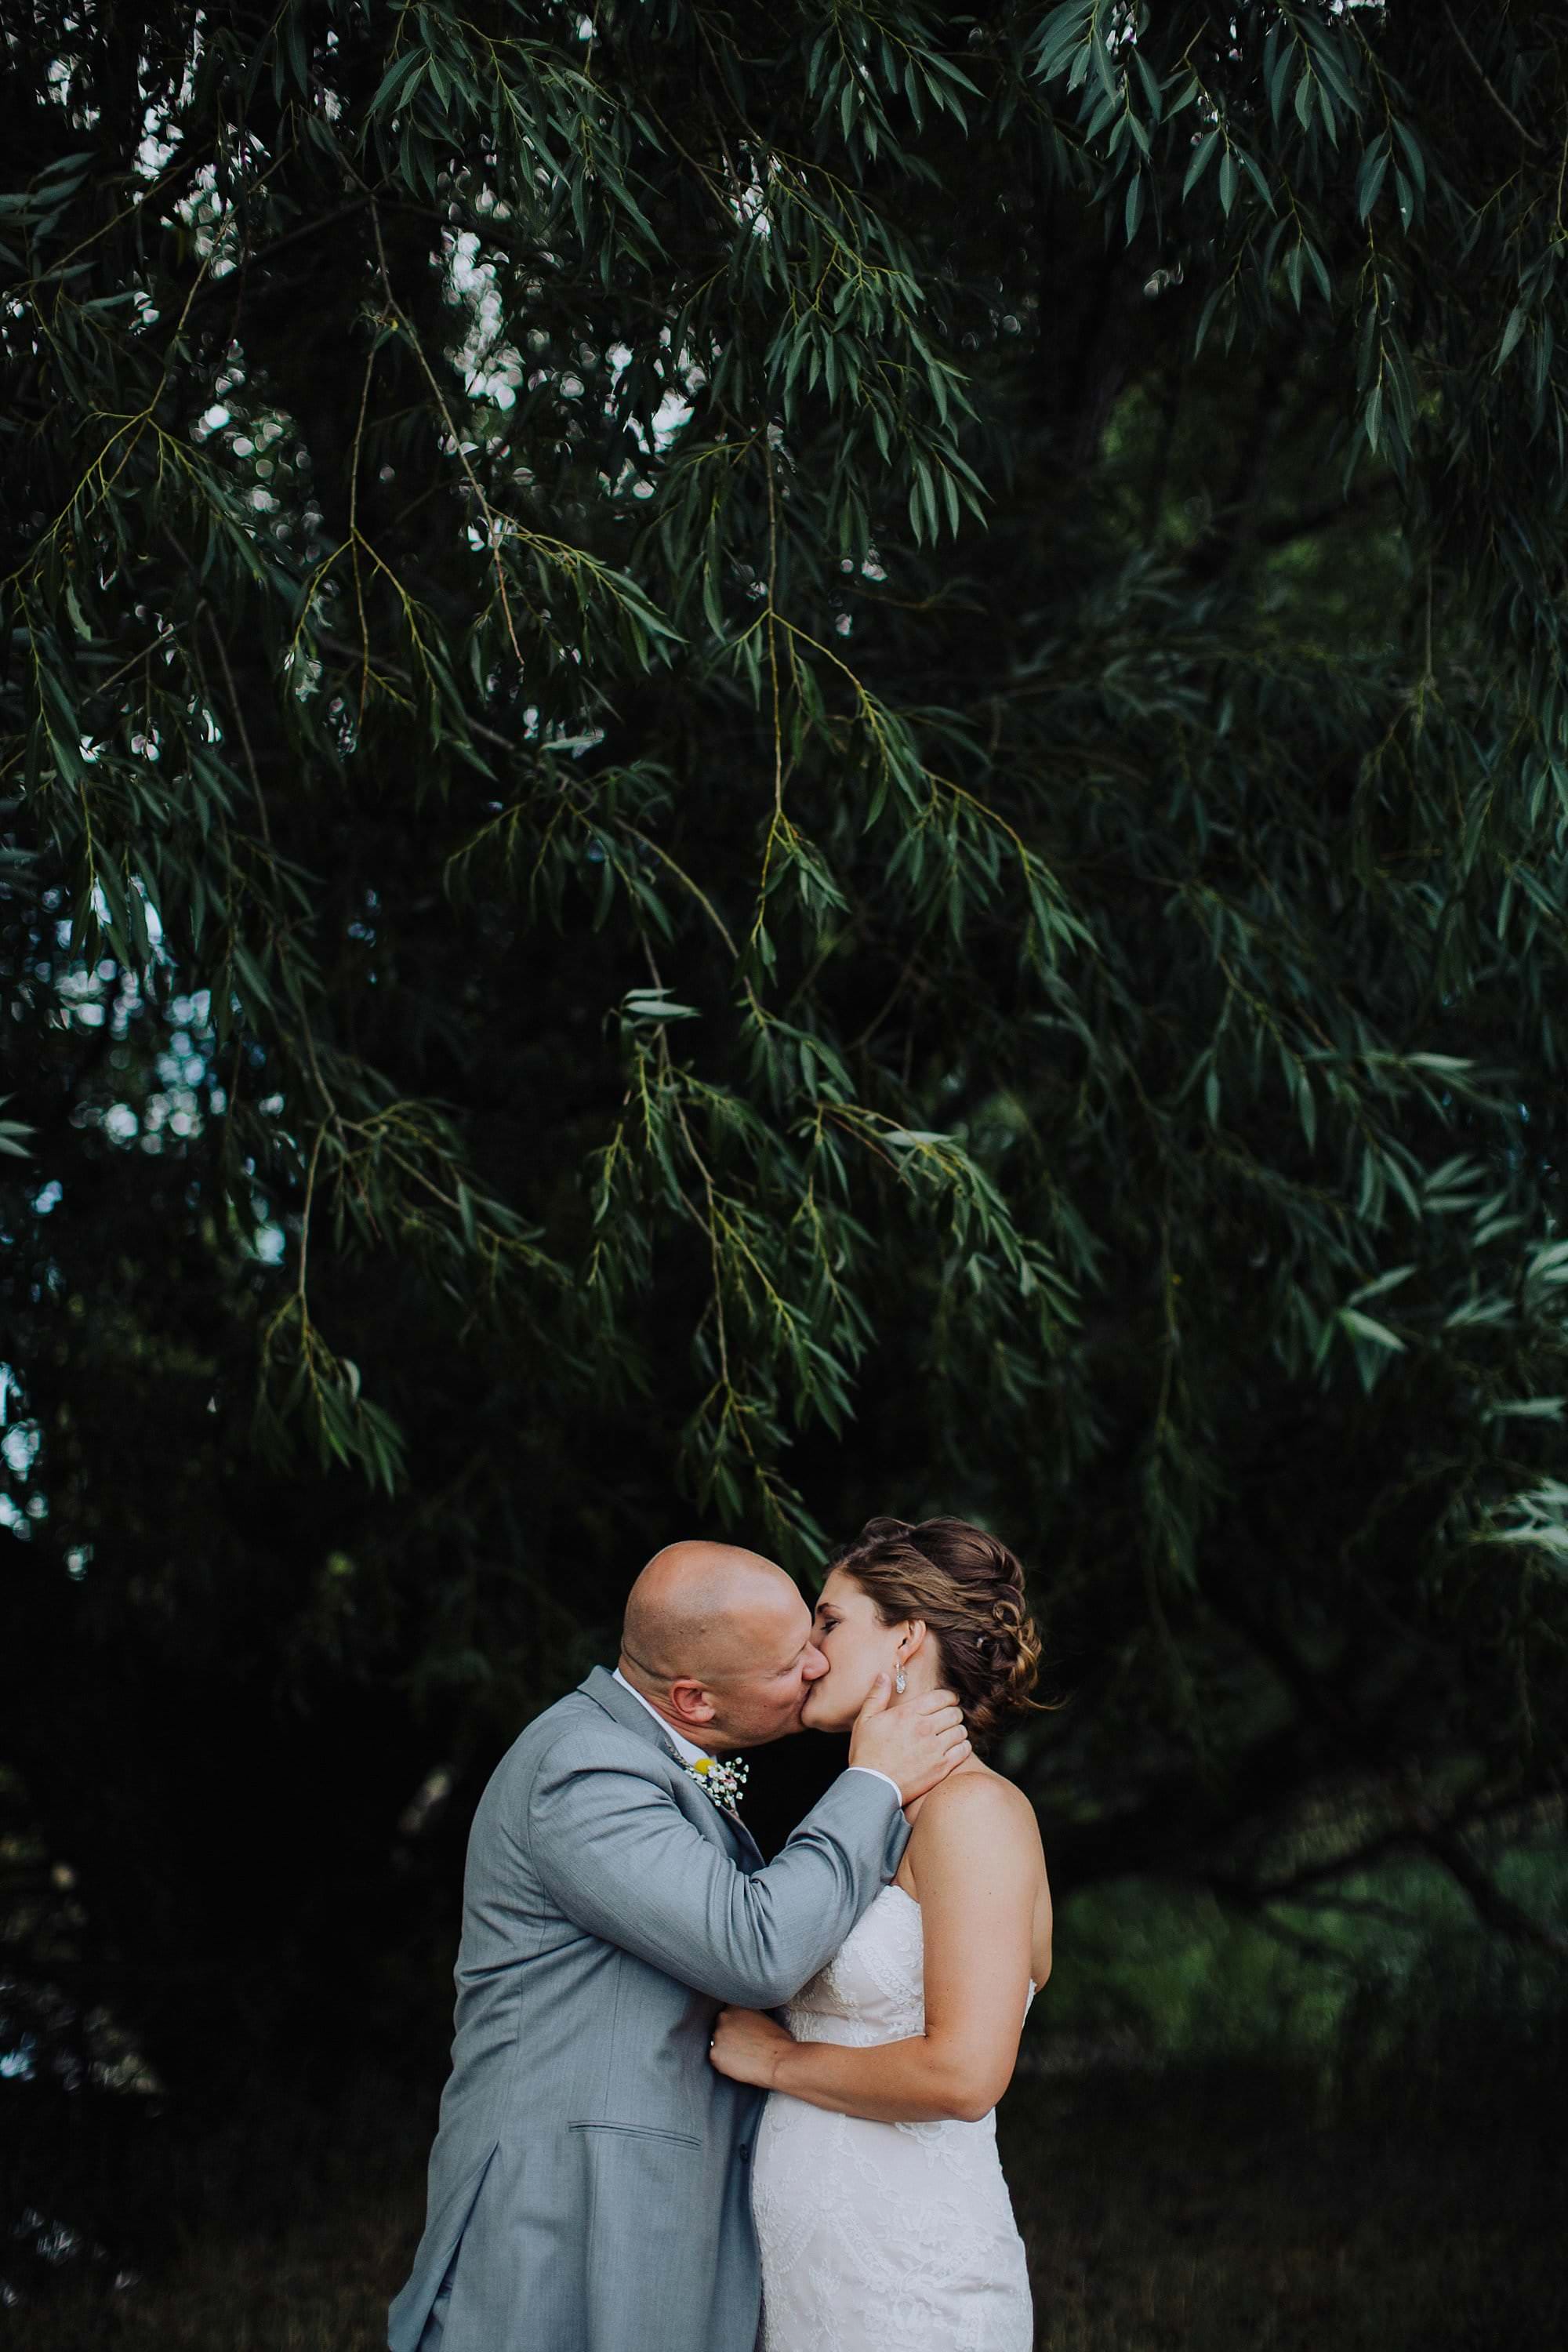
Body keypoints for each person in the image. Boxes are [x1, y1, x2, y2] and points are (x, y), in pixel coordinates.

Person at [387, 1536, 971, 2352]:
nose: (815, 1664)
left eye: (813, 1631)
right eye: (789, 1662)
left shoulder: (640, 1755)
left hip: (647, 2215)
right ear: (693, 1700)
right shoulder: (580, 1770)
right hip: (565, 2222)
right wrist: (871, 1783)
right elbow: (753, 1948)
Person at [710, 1515, 1051, 2351]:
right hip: (817, 2287)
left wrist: (776, 2062)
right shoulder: (868, 1821)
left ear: (906, 1638)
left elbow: (966, 2072)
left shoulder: (975, 1814)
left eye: (828, 1621)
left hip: (913, 2289)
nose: (809, 1651)